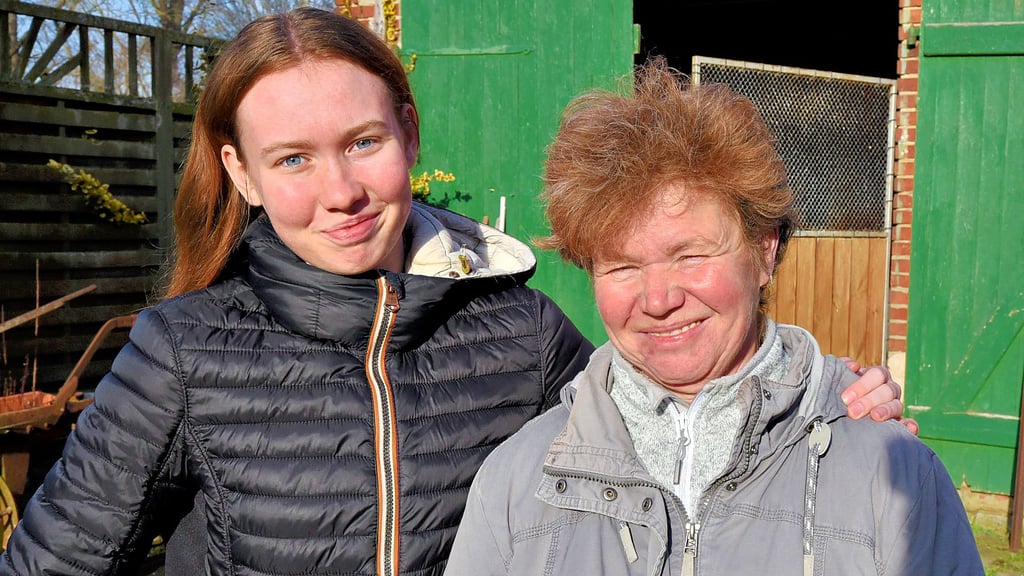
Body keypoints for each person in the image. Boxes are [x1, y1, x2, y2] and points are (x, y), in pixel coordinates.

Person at [0, 10, 907, 576]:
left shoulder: (515, 326)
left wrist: (834, 402)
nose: (341, 191)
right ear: (240, 173)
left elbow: (669, 407)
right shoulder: (181, 351)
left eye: (362, 142)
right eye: (291, 160)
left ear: (408, 128)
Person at [444, 58, 982, 575]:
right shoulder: (517, 482)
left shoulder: (892, 476)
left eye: (691, 256)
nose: (657, 299)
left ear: (764, 251)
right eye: (623, 266)